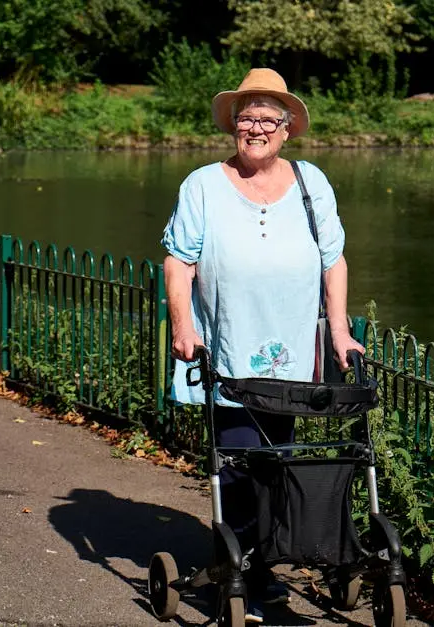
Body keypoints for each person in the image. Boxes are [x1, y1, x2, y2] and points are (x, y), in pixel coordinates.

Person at [160, 68, 365, 624]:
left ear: (287, 128)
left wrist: (340, 330)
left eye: (267, 119)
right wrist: (183, 327)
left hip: (292, 354)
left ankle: (259, 566)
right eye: (246, 117)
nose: (256, 127)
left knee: (279, 462)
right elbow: (178, 261)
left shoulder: (311, 182)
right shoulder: (202, 185)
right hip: (228, 351)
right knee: (240, 461)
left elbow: (333, 259)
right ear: (233, 124)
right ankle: (239, 573)